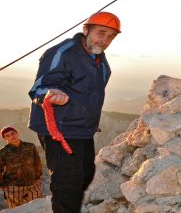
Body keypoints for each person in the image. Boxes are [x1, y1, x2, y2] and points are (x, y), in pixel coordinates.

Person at [27, 11, 121, 213]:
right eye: (101, 32)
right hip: (58, 128)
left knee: (86, 173)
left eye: (111, 36)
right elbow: (40, 87)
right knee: (67, 183)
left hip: (82, 128)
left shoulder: (100, 61)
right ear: (86, 29)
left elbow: (92, 94)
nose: (105, 40)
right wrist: (50, 95)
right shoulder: (63, 53)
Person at [0, 126, 43, 208]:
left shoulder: (30, 146)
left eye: (13, 133)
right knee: (17, 210)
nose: (11, 136)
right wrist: (3, 186)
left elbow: (37, 163)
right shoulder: (3, 152)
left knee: (37, 208)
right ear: (5, 138)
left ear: (17, 133)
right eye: (7, 135)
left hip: (33, 184)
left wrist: (38, 178)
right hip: (13, 187)